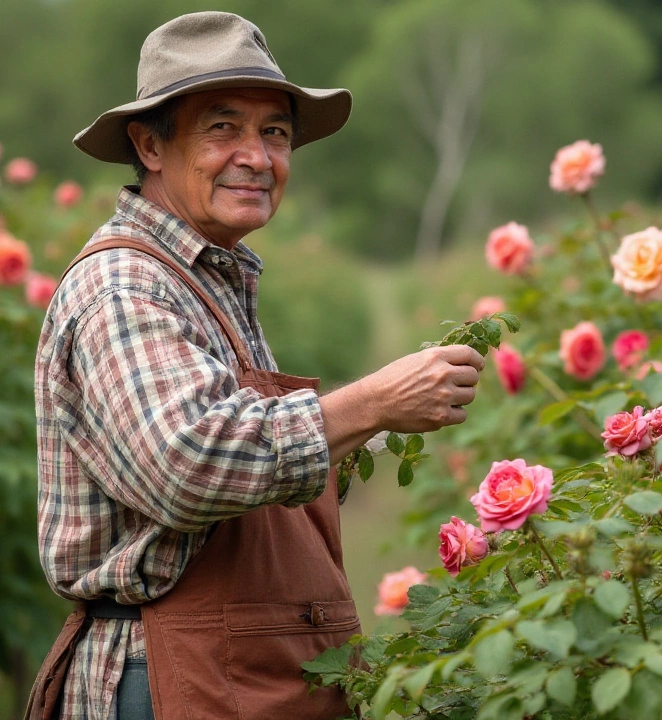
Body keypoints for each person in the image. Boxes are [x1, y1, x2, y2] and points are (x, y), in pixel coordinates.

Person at [25, 12, 484, 720]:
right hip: (168, 676)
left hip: (231, 670)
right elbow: (187, 465)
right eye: (223, 128)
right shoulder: (124, 286)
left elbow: (253, 478)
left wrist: (373, 424)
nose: (257, 156)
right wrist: (372, 405)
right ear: (149, 144)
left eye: (275, 133)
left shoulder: (210, 279)